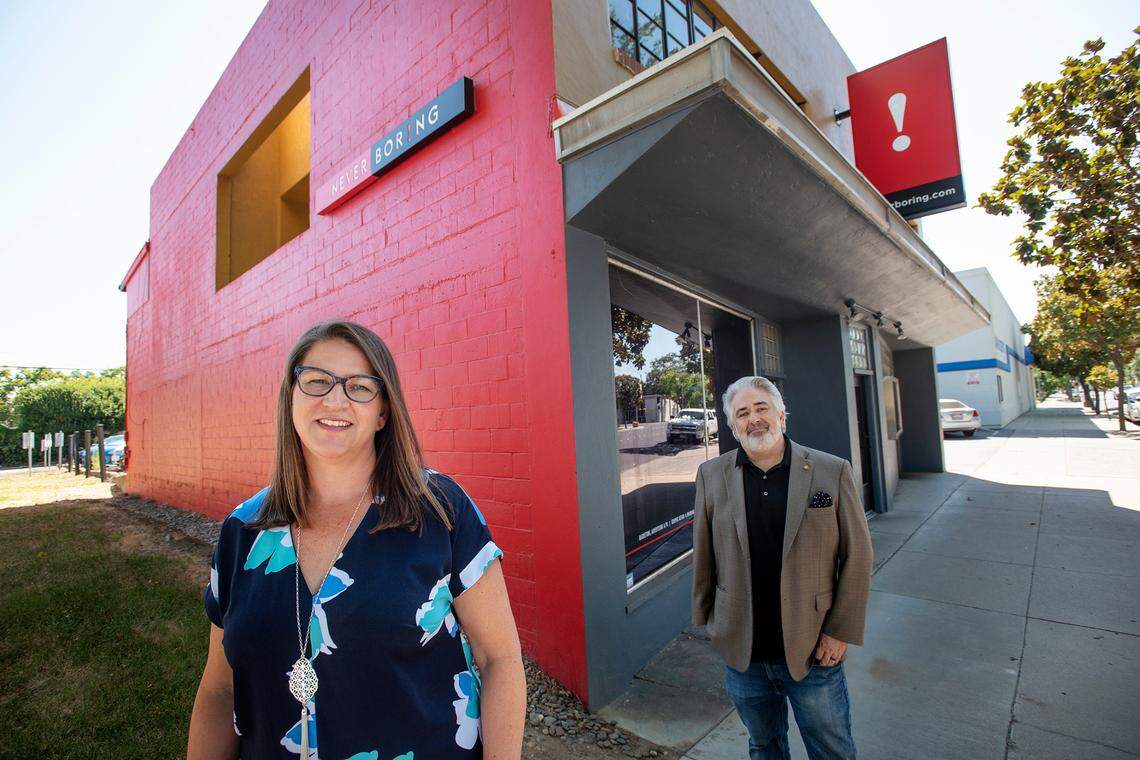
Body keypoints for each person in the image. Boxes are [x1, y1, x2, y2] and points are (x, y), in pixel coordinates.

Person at [187, 321, 526, 759]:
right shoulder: (242, 530)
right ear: (291, 397)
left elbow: (499, 659)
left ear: (383, 412)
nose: (334, 399)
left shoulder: (441, 511)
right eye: (316, 381)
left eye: (360, 387)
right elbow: (219, 690)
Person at [692, 376, 872, 759]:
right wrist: (710, 622)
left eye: (762, 408)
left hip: (814, 649)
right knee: (764, 746)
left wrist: (840, 631)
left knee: (832, 750)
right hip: (744, 655)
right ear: (733, 426)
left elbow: (858, 556)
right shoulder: (711, 475)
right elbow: (705, 554)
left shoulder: (832, 470)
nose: (754, 419)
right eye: (742, 413)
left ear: (781, 416)